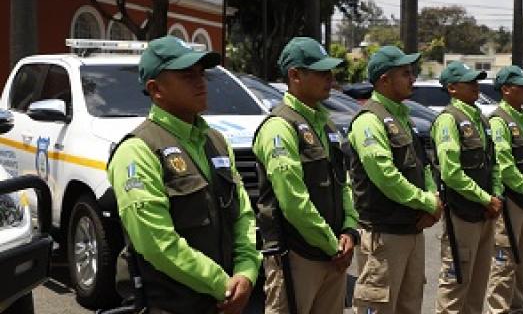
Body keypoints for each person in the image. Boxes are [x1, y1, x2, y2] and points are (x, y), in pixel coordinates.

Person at [107, 36, 261, 314]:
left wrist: (247, 270)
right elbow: (156, 242)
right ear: (156, 89)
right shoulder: (138, 150)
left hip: (230, 299)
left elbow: (242, 212)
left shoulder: (216, 140)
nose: (200, 81)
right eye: (187, 75)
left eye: (201, 73)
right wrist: (222, 285)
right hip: (174, 305)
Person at [252, 37, 360, 314]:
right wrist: (332, 245)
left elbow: (343, 184)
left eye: (330, 71)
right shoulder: (280, 127)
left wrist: (349, 230)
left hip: (332, 253)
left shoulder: (326, 123)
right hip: (296, 256)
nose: (330, 78)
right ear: (295, 75)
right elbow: (293, 201)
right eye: (321, 72)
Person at [348, 45, 443, 314]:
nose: (412, 78)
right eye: (405, 73)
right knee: (378, 306)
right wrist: (426, 202)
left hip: (411, 230)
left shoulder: (403, 117)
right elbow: (385, 176)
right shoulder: (369, 120)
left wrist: (433, 199)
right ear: (384, 80)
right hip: (384, 233)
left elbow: (423, 167)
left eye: (411, 72)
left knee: (409, 305)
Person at [432, 61, 503, 314]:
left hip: (485, 213)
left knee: (477, 288)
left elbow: (492, 162)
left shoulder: (480, 118)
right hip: (461, 215)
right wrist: (486, 199)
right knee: (455, 285)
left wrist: (495, 196)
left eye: (476, 81)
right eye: (469, 82)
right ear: (452, 88)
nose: (476, 86)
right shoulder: (448, 120)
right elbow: (451, 173)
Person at [484, 65, 523, 314]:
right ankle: (498, 310)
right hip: (510, 201)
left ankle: (516, 307)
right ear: (506, 90)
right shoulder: (499, 120)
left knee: (522, 260)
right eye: (522, 86)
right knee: (504, 262)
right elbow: (504, 164)